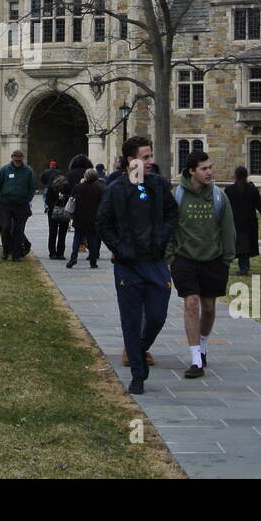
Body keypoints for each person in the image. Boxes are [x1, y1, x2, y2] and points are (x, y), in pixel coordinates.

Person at [97, 135, 178, 395]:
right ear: (131, 161)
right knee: (131, 320)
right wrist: (120, 249)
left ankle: (138, 349)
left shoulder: (158, 185)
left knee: (156, 315)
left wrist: (162, 239)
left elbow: (171, 214)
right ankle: (137, 373)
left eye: (151, 156)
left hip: (154, 262)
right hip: (128, 265)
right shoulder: (115, 189)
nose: (151, 161)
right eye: (146, 157)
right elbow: (103, 224)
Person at [168, 151, 236, 376]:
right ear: (192, 171)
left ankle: (203, 345)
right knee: (191, 303)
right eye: (204, 168)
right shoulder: (177, 196)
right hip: (185, 259)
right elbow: (169, 228)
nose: (209, 172)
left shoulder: (219, 197)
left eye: (210, 167)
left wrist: (227, 258)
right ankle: (195, 359)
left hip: (213, 260)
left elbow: (227, 230)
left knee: (208, 308)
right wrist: (170, 257)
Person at [225, 165, 261, 276]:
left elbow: (224, 208)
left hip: (236, 222)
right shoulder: (252, 190)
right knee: (244, 245)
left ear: (235, 176)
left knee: (241, 245)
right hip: (249, 222)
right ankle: (244, 266)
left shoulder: (229, 190)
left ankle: (243, 267)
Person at [0, 150, 35, 261]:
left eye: (19, 157)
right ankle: (5, 251)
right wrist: (0, 197)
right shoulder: (5, 170)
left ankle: (16, 254)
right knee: (5, 228)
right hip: (6, 204)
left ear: (22, 158)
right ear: (12, 157)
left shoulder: (27, 171)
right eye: (15, 157)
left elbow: (32, 187)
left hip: (21, 204)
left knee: (18, 230)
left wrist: (27, 199)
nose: (17, 159)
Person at [67, 167, 105, 269]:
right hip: (93, 218)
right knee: (92, 239)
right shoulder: (99, 189)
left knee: (77, 238)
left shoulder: (78, 187)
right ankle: (93, 261)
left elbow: (72, 200)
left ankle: (73, 257)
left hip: (79, 217)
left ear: (85, 176)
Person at [44, 174, 72, 259]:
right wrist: (57, 201)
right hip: (57, 212)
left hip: (57, 212)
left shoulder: (66, 187)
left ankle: (56, 253)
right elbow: (48, 200)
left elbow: (48, 201)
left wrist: (64, 198)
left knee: (57, 233)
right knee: (57, 233)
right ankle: (56, 253)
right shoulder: (53, 188)